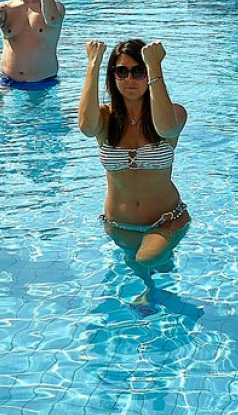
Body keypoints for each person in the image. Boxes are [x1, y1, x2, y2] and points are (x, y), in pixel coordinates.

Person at [78, 38, 189, 267]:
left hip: (166, 220)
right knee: (138, 271)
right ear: (113, 76)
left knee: (147, 259)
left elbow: (166, 129)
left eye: (139, 72)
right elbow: (86, 128)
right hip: (119, 225)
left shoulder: (174, 113)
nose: (130, 79)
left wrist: (154, 66)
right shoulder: (105, 118)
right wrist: (93, 64)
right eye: (122, 72)